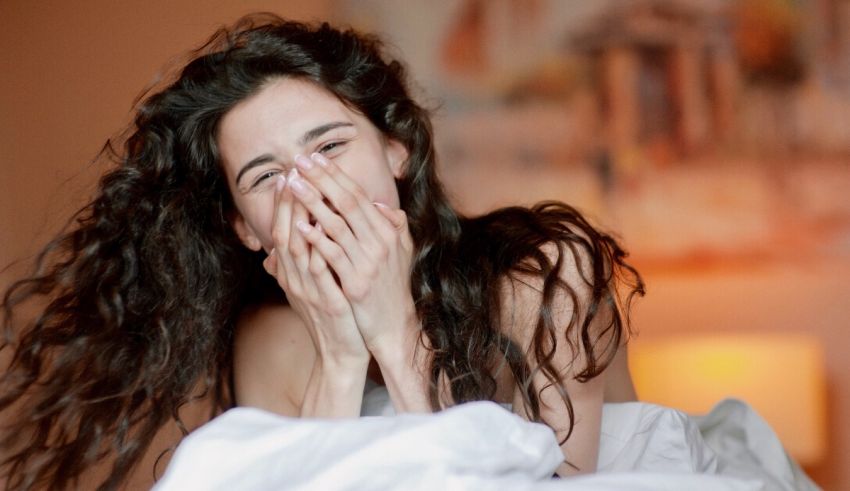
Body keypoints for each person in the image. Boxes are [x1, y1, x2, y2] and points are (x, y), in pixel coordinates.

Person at [0, 13, 644, 490]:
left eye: (330, 147)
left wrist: (398, 338)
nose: (307, 190)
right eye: (264, 175)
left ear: (397, 150)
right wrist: (340, 354)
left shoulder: (543, 278)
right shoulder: (273, 337)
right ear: (246, 228)